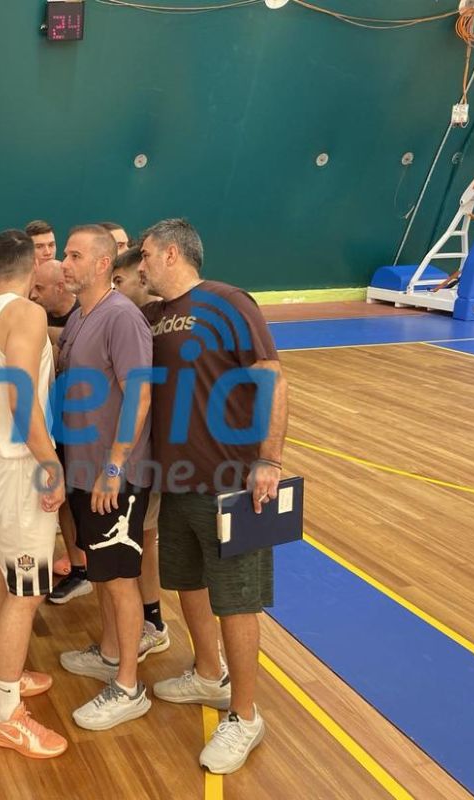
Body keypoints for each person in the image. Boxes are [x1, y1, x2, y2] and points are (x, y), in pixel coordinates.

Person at [140, 218, 288, 774]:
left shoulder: (228, 302)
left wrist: (269, 459)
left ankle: (245, 715)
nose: (142, 263)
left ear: (172, 253)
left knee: (237, 601)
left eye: (146, 254)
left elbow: (271, 376)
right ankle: (208, 673)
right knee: (189, 584)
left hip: (232, 482)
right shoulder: (155, 316)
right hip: (176, 482)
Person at [0, 229, 67, 758]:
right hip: (15, 463)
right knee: (25, 591)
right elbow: (21, 398)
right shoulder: (25, 313)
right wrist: (50, 463)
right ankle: (5, 716)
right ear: (33, 266)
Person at [56, 224, 154, 731]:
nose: (64, 263)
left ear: (101, 264)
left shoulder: (122, 317)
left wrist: (114, 466)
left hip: (116, 476)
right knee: (101, 573)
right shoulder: (79, 316)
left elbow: (140, 393)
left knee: (119, 580)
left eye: (73, 255)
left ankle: (129, 686)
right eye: (64, 254)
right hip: (82, 470)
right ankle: (111, 652)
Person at [110, 246, 170, 659]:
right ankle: (152, 620)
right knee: (145, 538)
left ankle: (152, 623)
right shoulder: (138, 317)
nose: (115, 288)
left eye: (120, 280)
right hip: (150, 450)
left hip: (152, 453)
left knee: (146, 541)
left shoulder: (143, 319)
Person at [28, 257, 88, 602]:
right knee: (64, 502)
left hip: (84, 430)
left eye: (40, 288)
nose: (33, 294)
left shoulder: (83, 316)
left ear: (60, 288)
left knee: (84, 501)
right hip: (53, 428)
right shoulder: (36, 314)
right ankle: (79, 568)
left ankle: (97, 567)